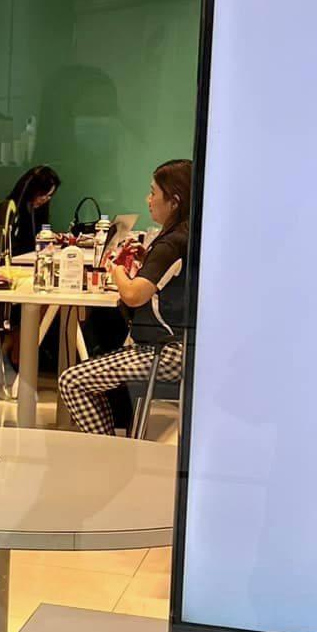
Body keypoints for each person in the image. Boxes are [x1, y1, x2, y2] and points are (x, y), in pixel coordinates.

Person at [57, 160, 192, 436]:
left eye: (153, 192)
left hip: (168, 353)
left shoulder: (170, 243)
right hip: (187, 347)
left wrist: (115, 268)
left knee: (72, 381)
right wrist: (147, 259)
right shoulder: (188, 235)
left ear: (174, 201)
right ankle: (111, 445)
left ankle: (108, 448)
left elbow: (132, 295)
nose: (148, 199)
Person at [0, 164, 61, 258]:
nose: (45, 199)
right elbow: (6, 247)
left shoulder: (38, 210)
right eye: (43, 194)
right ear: (32, 190)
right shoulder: (10, 208)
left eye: (49, 196)